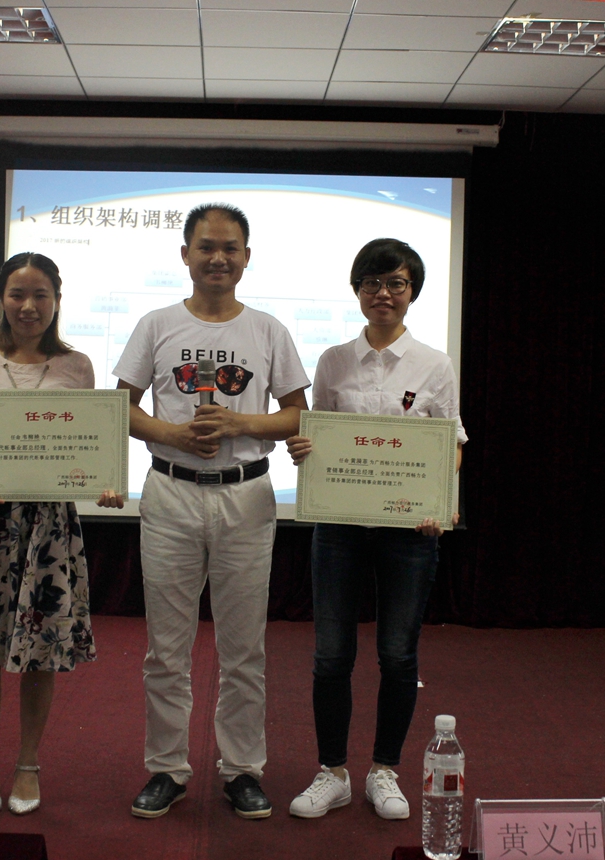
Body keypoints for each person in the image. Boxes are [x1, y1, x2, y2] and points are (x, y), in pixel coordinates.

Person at [114, 204, 309, 820]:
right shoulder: (156, 324)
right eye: (206, 247)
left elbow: (297, 414)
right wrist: (172, 434)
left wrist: (240, 424)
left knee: (243, 647)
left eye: (230, 248)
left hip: (246, 496)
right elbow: (120, 407)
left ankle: (242, 769)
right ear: (185, 255)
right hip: (170, 492)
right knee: (165, 649)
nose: (218, 258)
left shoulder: (268, 330)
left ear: (247, 257)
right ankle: (166, 769)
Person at [0, 252, 122, 817]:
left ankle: (30, 761)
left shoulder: (77, 366)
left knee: (41, 650)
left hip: (50, 528)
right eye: (17, 294)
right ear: (0, 298)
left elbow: (89, 444)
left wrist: (105, 483)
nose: (28, 306)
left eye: (41, 295)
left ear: (57, 300)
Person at [287, 238, 467, 821]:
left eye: (395, 283)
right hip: (339, 525)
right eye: (371, 283)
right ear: (357, 290)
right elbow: (321, 434)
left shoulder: (435, 364)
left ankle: (384, 770)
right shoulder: (333, 360)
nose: (382, 293)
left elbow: (451, 444)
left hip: (408, 532)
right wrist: (305, 449)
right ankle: (333, 772)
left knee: (398, 654)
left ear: (412, 292)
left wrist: (439, 499)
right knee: (331, 654)